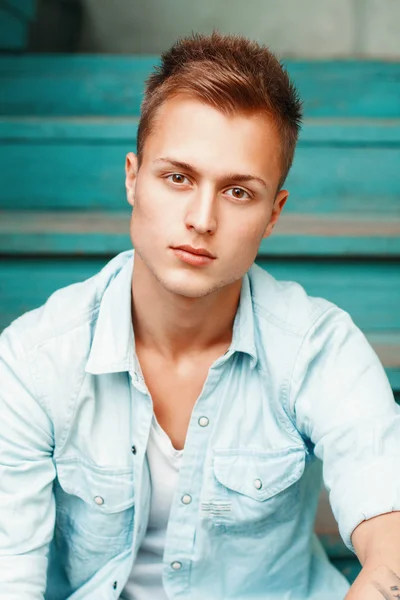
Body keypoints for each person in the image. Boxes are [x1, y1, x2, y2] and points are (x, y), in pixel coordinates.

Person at [1, 32, 399, 600]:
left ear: (273, 214)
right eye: (178, 177)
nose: (202, 218)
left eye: (238, 191)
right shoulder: (34, 363)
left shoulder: (317, 346)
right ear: (133, 178)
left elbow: (389, 523)